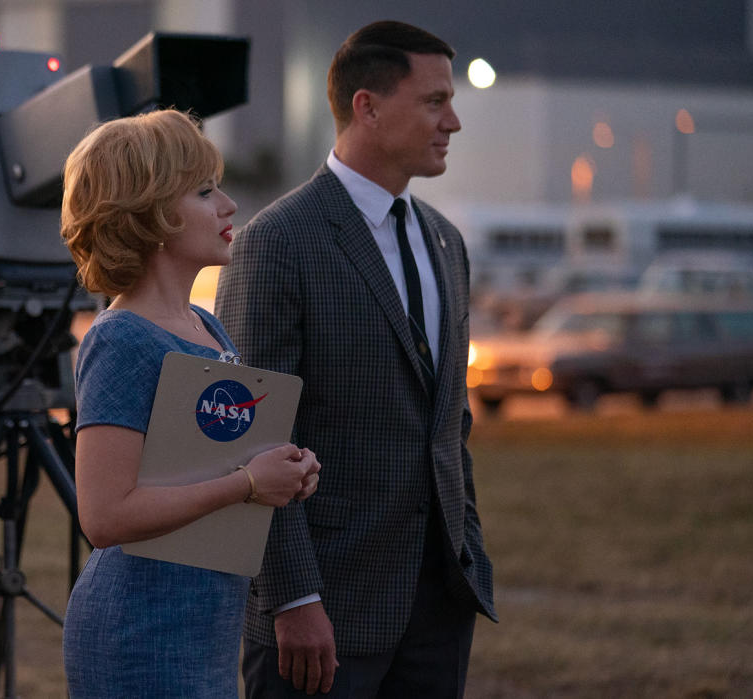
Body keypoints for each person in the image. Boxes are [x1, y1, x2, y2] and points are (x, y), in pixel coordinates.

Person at [215, 20, 497, 697]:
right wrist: (291, 597)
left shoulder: (444, 242)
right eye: (433, 101)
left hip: (438, 608)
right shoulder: (277, 241)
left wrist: (467, 553)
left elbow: (447, 425)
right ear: (367, 107)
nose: (453, 121)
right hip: (322, 614)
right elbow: (251, 436)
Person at [59, 109, 321, 697]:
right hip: (139, 630)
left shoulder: (206, 325)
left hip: (203, 628)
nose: (228, 205)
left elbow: (205, 468)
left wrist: (287, 473)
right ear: (148, 214)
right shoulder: (120, 337)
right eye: (204, 192)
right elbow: (104, 518)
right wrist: (248, 485)